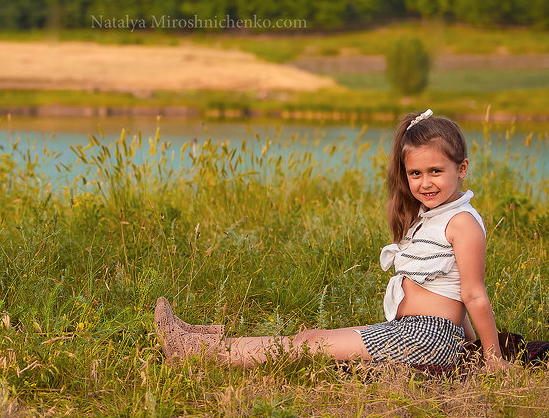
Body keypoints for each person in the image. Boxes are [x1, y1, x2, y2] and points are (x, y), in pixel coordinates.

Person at [155, 110, 508, 370]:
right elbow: (448, 284)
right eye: (415, 173)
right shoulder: (432, 217)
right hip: (410, 330)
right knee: (309, 337)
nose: (425, 183)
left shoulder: (462, 222)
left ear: (461, 169)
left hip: (427, 339)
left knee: (310, 347)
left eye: (436, 172)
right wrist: (468, 342)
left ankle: (199, 354)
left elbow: (472, 292)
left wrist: (490, 355)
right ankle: (201, 340)